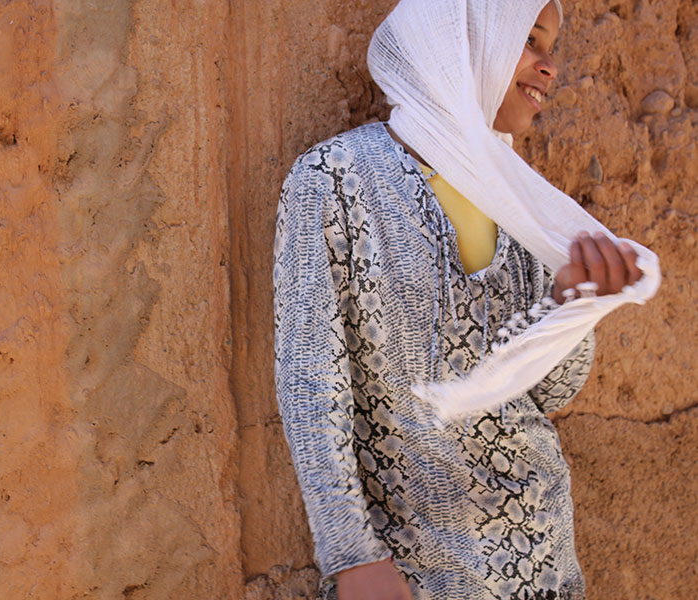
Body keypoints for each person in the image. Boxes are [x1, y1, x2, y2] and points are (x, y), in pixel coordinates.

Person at [273, 1, 646, 599]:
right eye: (530, 40)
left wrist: (569, 308)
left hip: (542, 560)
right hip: (412, 568)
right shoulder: (337, 178)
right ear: (465, 40)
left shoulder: (524, 202)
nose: (551, 68)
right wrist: (348, 554)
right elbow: (311, 382)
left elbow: (546, 395)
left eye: (552, 49)